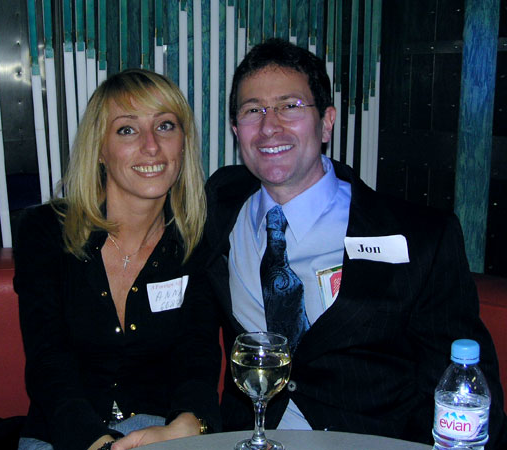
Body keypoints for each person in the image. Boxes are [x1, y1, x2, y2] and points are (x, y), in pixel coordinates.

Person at [201, 38, 507, 447]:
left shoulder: (421, 238)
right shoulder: (219, 204)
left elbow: (464, 386)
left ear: (327, 122)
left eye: (290, 106)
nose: (269, 126)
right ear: (237, 130)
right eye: (253, 110)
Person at [13, 68, 221, 450]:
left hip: (160, 430)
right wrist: (95, 442)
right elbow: (48, 360)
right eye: (127, 130)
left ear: (183, 143)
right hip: (64, 434)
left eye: (165, 126)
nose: (151, 146)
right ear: (99, 149)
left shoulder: (196, 238)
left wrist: (189, 424)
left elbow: (198, 353)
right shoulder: (45, 231)